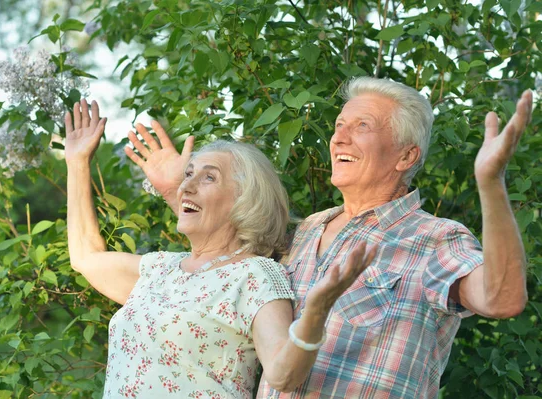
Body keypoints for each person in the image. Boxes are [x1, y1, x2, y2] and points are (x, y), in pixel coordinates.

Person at [126, 77, 532, 398]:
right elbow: (226, 252)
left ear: (406, 157)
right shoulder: (306, 231)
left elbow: (503, 298)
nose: (339, 138)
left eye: (362, 127)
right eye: (339, 126)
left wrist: (490, 183)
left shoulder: (434, 239)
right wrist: (172, 190)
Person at [64, 99, 379, 398]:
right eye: (189, 174)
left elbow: (284, 375)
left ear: (245, 200)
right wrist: (77, 162)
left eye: (208, 177)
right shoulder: (159, 269)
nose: (187, 185)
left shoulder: (254, 275)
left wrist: (316, 311)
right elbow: (85, 258)